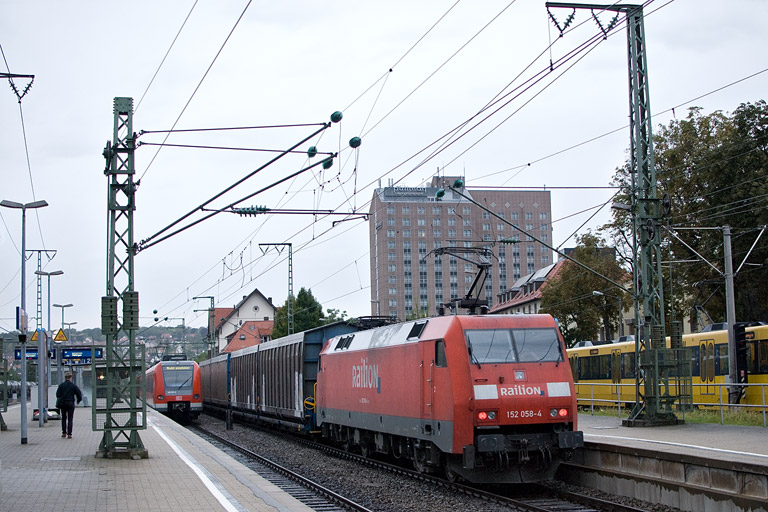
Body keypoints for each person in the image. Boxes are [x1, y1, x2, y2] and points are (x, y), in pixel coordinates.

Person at [56, 372, 82, 439]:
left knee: (64, 418)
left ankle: (64, 433)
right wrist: (78, 400)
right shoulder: (73, 386)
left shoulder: (61, 385)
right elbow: (79, 394)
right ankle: (69, 434)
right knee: (70, 419)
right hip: (70, 403)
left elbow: (57, 394)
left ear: (65, 378)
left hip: (63, 403)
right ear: (71, 378)